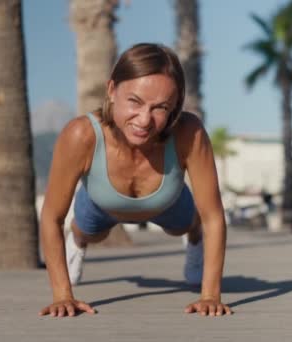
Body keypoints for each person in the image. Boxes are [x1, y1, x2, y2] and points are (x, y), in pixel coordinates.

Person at [38, 43, 231, 318]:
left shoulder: (189, 132)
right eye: (135, 102)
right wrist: (62, 296)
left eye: (160, 108)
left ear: (175, 107)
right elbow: (50, 217)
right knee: (90, 232)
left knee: (187, 226)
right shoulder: (81, 135)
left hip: (167, 201)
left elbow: (213, 216)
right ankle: (78, 240)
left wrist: (210, 295)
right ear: (111, 90)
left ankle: (193, 237)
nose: (144, 120)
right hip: (100, 203)